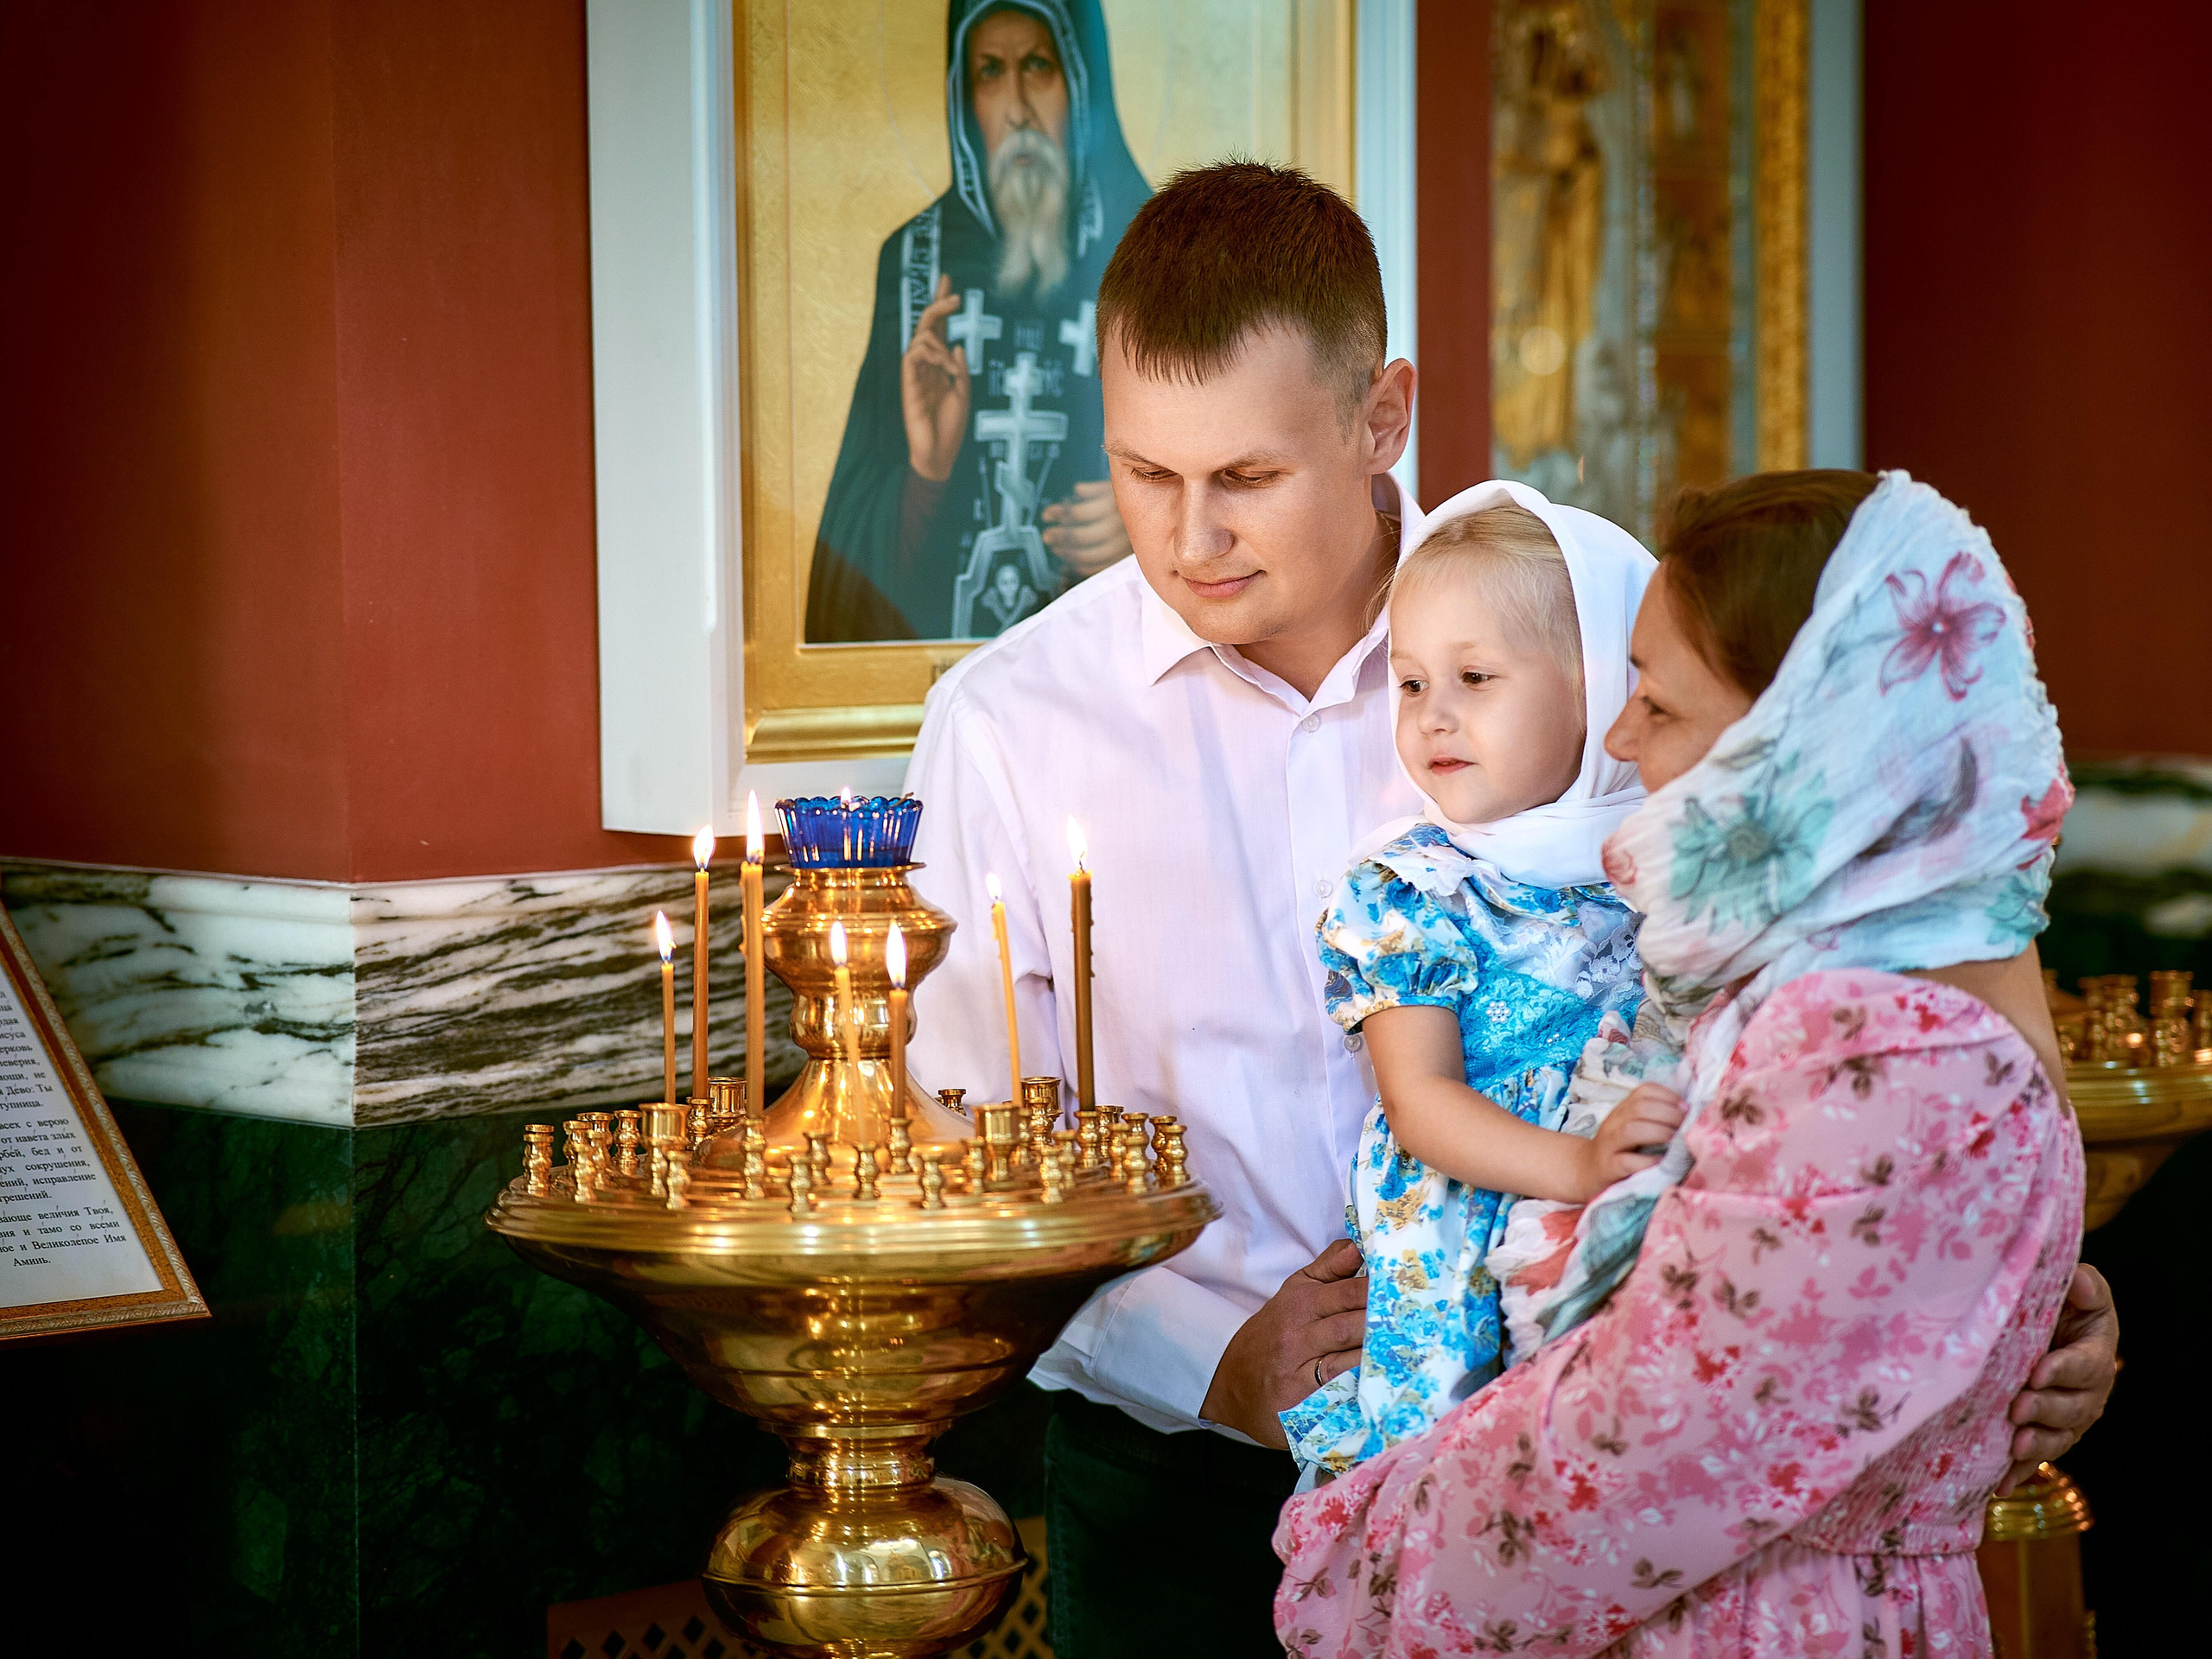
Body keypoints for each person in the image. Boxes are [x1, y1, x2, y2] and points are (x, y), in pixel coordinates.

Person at [902, 163, 2120, 1657]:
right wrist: (1206, 1357)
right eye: (1148, 474)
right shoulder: (1006, 724)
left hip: (1610, 1482)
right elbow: (965, 1151)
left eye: (1247, 479)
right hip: (1177, 1483)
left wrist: (2018, 1300)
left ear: (1382, 416)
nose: (1188, 539)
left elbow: (1873, 962)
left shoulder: (1600, 623)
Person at [1273, 470, 2107, 1657]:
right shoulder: (1820, 991)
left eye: (1654, 702)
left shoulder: (1884, 1051)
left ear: (1797, 744)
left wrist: (1349, 1572)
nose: (1616, 737)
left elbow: (1631, 1461)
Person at [1279, 486, 1681, 1480]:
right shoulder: (1411, 891)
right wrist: (1578, 1171)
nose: (1433, 717)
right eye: (1410, 684)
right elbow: (1419, 1106)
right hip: (1466, 1246)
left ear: (1596, 689)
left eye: (1474, 677)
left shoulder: (1667, 866)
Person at [805, 0, 1151, 642]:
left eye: (1038, 67)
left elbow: (1234, 467)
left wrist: (1148, 524)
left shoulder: (1157, 250)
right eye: (990, 73)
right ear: (964, 100)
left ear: (1082, 86)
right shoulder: (916, 263)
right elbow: (852, 563)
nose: (1017, 109)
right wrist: (925, 474)